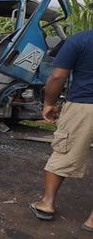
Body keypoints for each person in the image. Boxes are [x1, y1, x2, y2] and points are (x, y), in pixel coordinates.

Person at [29, 29, 93, 232]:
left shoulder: (80, 40)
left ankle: (47, 204)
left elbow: (57, 76)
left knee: (64, 152)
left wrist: (49, 103)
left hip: (83, 107)